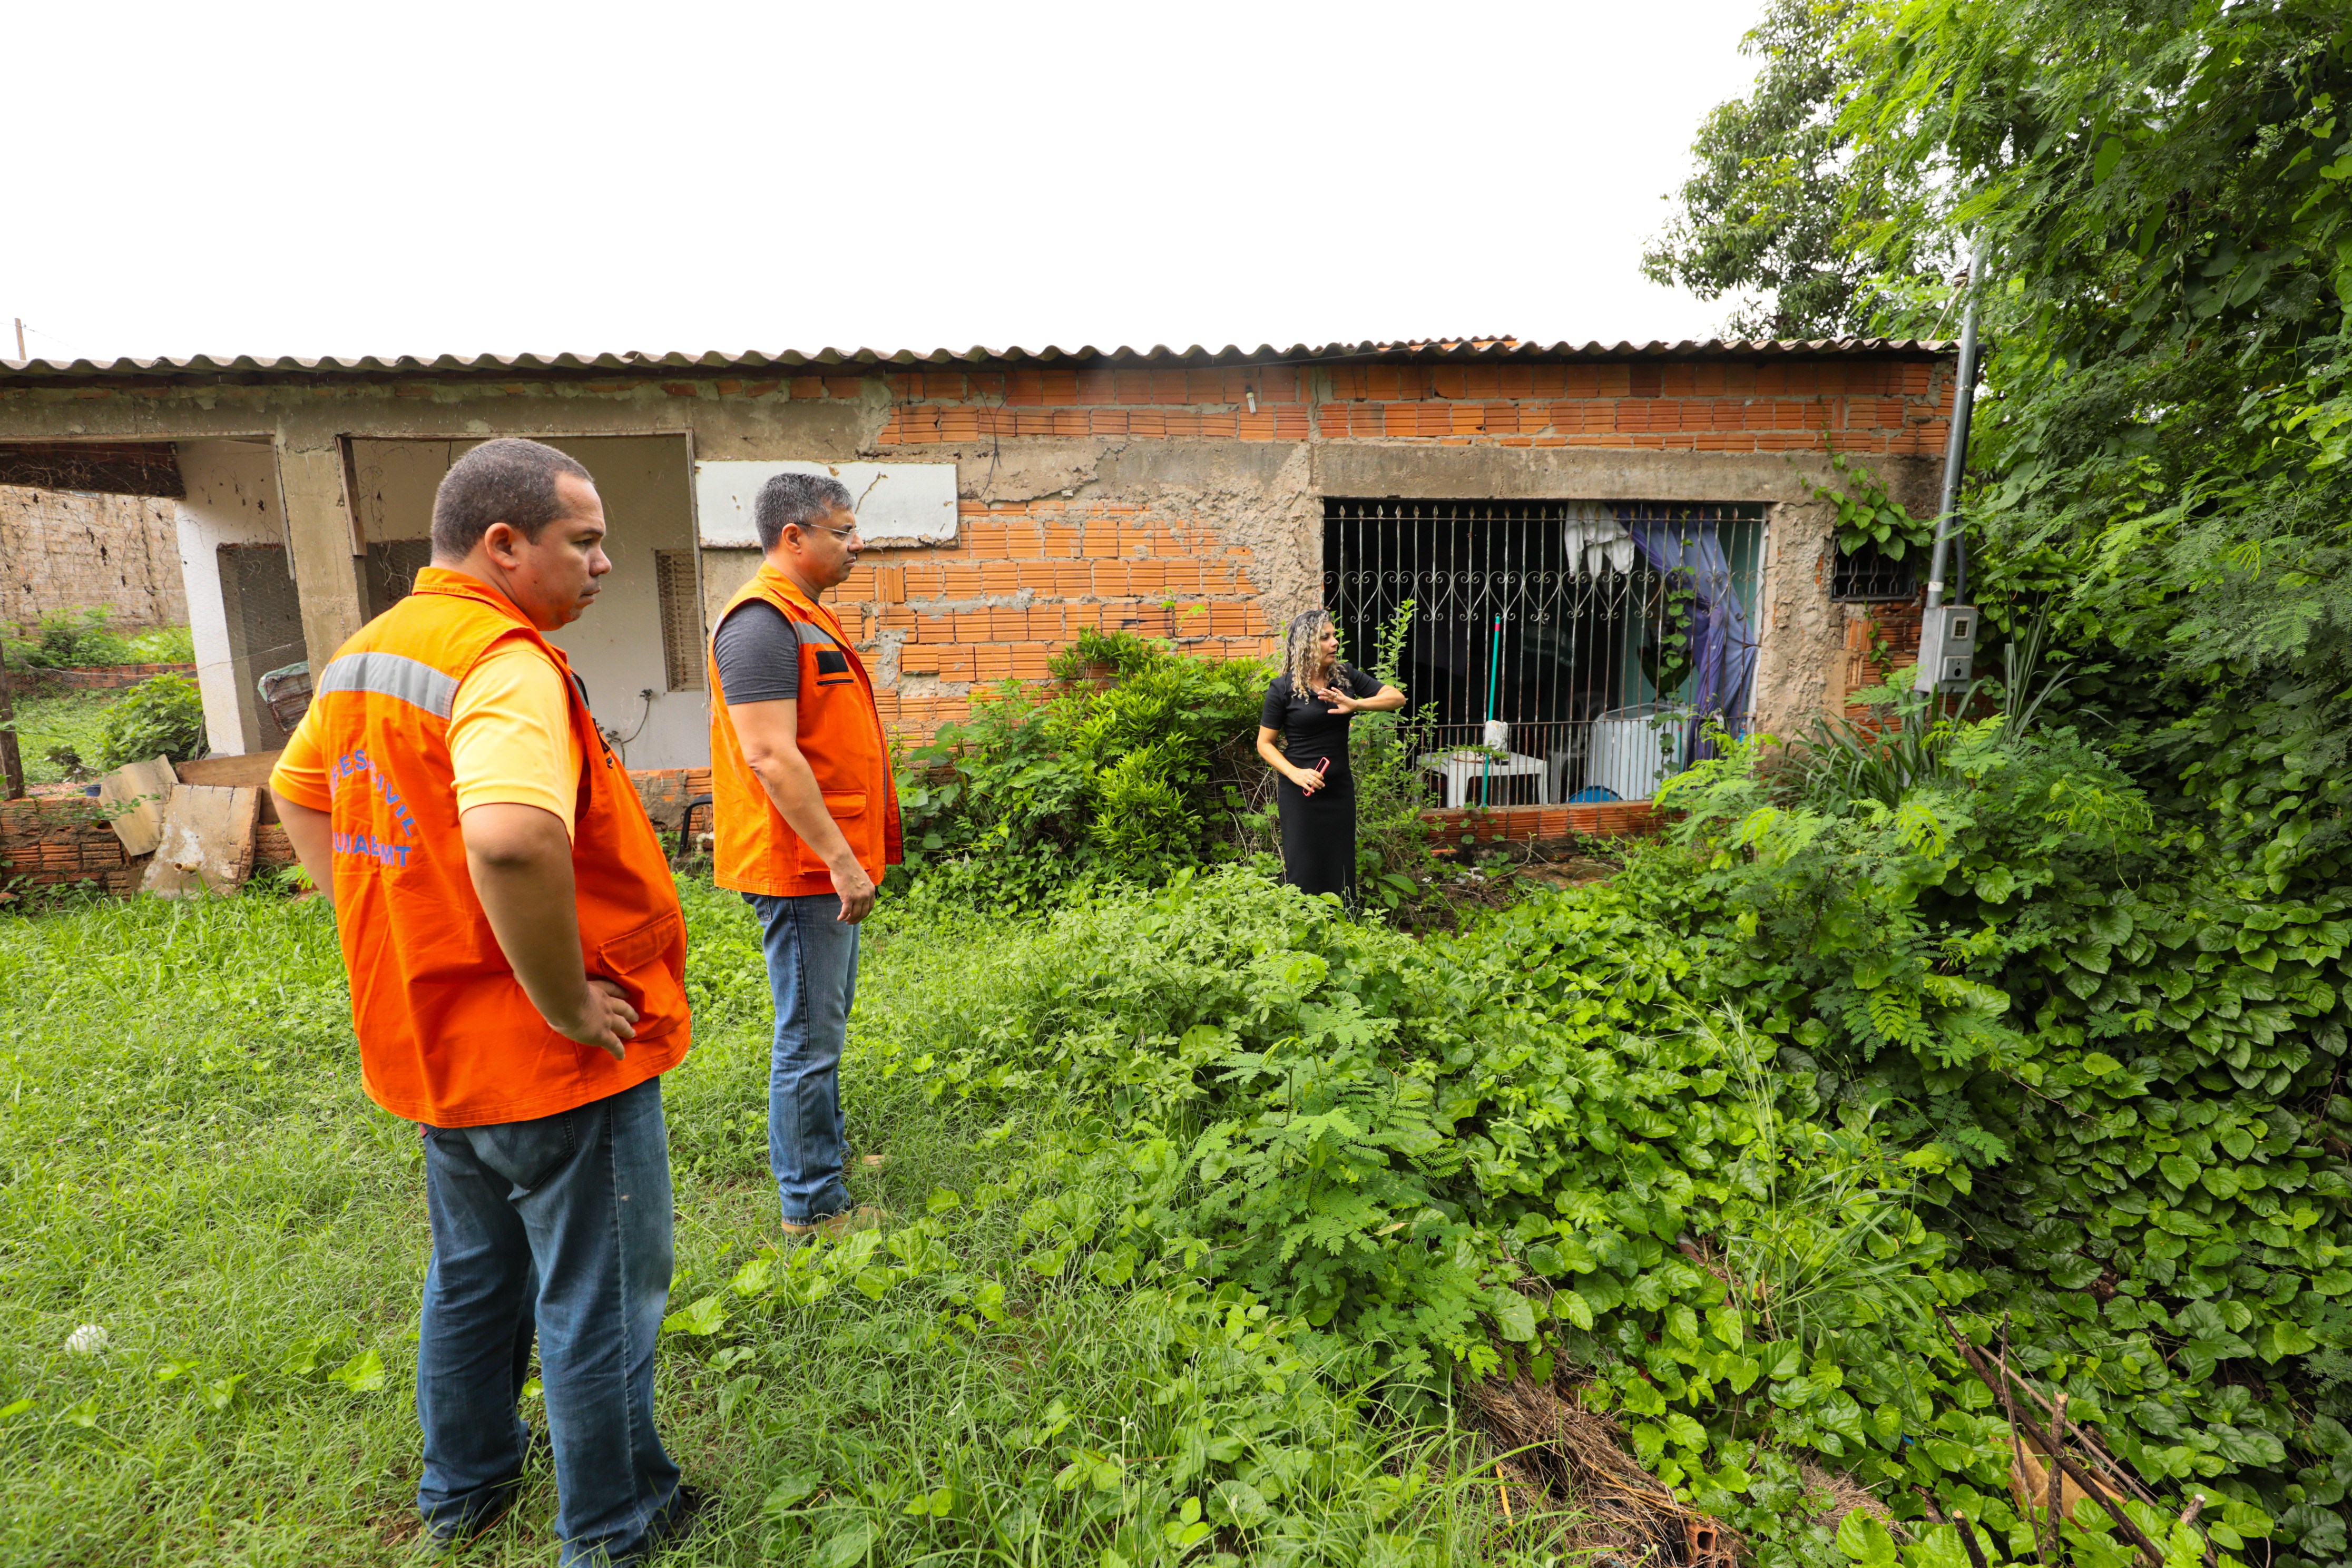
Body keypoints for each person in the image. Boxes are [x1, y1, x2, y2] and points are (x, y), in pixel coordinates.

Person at [268, 438, 708, 1566]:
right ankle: (615, 1526)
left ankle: (463, 1490)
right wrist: (565, 1004)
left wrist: (382, 918)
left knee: (473, 1276)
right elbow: (512, 840)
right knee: (599, 1292)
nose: (604, 563)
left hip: (436, 1044)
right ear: (504, 544)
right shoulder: (501, 664)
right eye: (585, 540)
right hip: (545, 1059)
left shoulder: (369, 653)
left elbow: (298, 791)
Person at [707, 471, 901, 1238]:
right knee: (808, 1039)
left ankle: (828, 1154)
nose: (858, 545)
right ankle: (813, 1206)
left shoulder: (805, 615)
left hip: (825, 862)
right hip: (803, 867)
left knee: (826, 1024)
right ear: (794, 537)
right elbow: (771, 757)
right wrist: (839, 860)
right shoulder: (760, 622)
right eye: (843, 531)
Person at [1256, 609, 1406, 902]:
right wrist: (1294, 773)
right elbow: (1265, 744)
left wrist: (1356, 704)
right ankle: (1305, 929)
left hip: (1339, 787)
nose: (1334, 642)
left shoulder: (1345, 676)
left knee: (1340, 862)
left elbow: (1397, 698)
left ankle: (1342, 926)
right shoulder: (1282, 689)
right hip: (1302, 791)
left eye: (1334, 635)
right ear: (1306, 643)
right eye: (1325, 637)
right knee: (1304, 863)